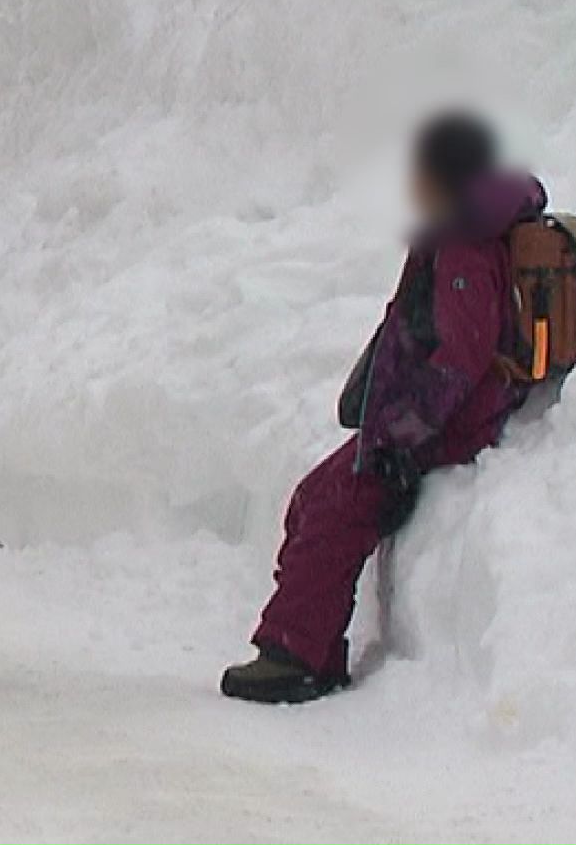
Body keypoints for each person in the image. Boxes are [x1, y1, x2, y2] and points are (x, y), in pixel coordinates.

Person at [221, 112, 546, 705]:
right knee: (315, 496)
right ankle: (305, 645)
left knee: (333, 511)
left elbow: (461, 357)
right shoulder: (464, 229)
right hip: (422, 417)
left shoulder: (465, 243)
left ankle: (295, 657)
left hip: (437, 425)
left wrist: (402, 437)